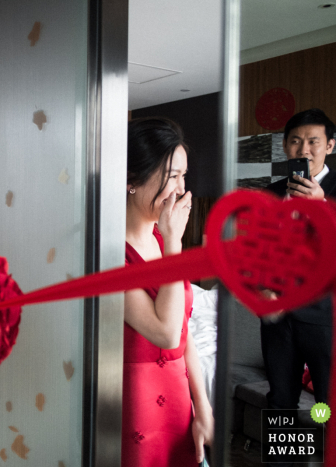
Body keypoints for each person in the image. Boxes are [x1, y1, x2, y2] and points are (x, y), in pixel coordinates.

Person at [122, 117, 214, 466]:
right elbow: (164, 332)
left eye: (183, 175)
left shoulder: (161, 239)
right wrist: (175, 243)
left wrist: (201, 408)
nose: (180, 188)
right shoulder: (107, 254)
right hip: (138, 402)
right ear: (132, 180)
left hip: (178, 394)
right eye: (170, 176)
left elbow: (184, 332)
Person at [261, 109, 336, 428]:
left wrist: (321, 207)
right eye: (295, 141)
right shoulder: (272, 193)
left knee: (328, 404)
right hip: (278, 319)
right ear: (285, 146)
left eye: (313, 141)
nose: (304, 149)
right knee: (280, 402)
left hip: (326, 318)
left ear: (330, 145)